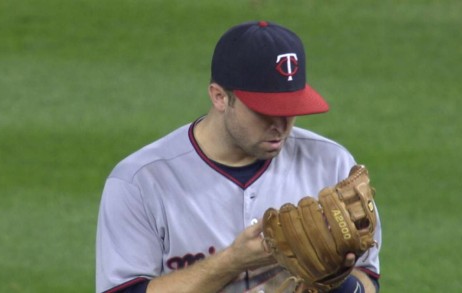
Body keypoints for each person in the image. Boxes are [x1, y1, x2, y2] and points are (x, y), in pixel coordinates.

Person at [96, 21, 381, 293]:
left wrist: (336, 283)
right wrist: (233, 261)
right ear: (220, 97)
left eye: (291, 109)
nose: (280, 126)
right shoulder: (140, 181)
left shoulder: (332, 163)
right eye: (264, 111)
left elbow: (367, 278)